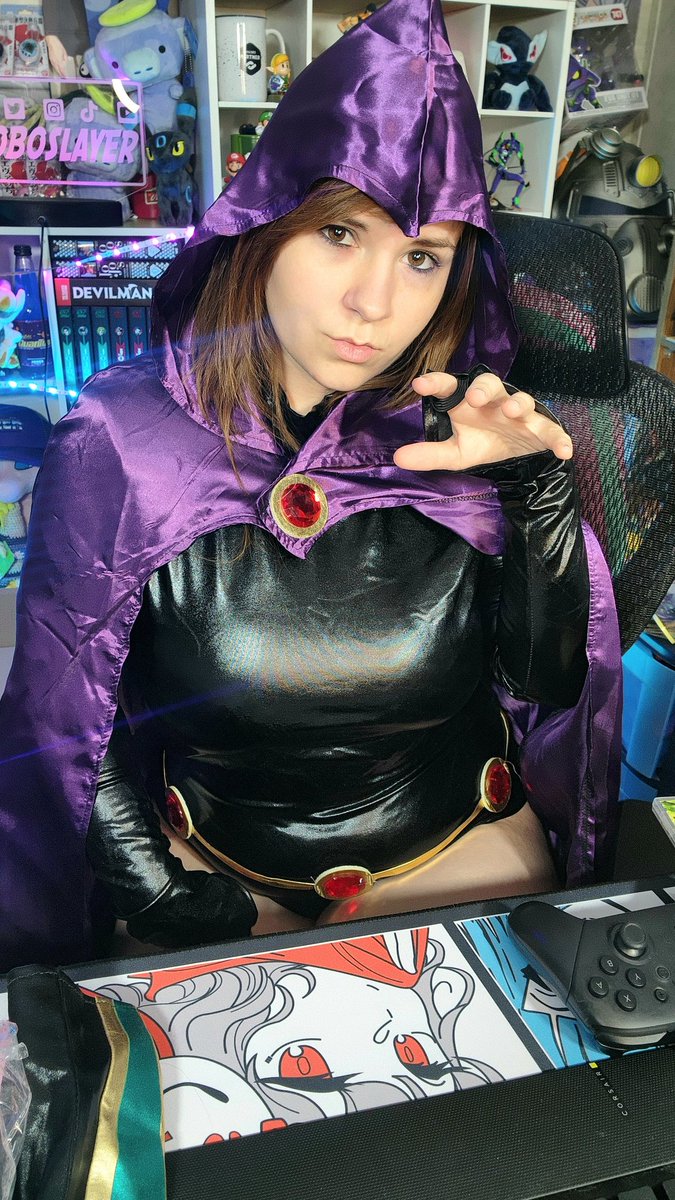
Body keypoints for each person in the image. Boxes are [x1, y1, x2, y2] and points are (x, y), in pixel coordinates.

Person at [0, 0, 622, 971]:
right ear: (266, 219)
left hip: (457, 847)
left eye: (422, 257)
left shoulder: (466, 429)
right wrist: (147, 882)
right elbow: (71, 706)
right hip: (218, 864)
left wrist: (537, 498)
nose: (375, 303)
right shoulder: (122, 440)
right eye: (339, 233)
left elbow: (542, 687)